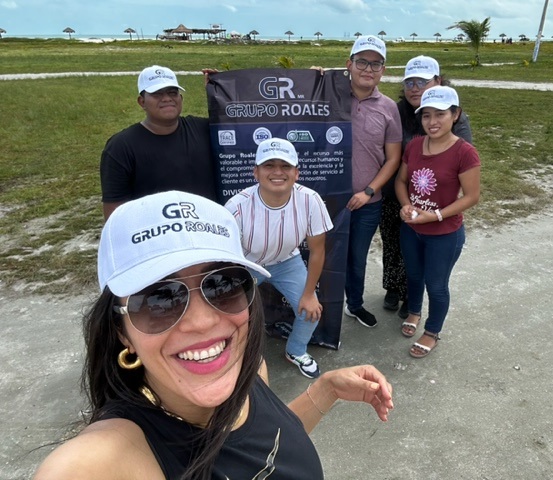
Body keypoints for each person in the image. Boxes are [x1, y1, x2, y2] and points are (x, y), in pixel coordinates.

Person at [34, 190, 393, 479]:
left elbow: (267, 447)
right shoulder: (102, 461)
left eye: (223, 285)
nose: (203, 322)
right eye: (160, 299)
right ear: (121, 331)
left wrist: (324, 390)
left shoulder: (249, 372)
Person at [225, 138, 333, 379]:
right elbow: (226, 258)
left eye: (285, 166)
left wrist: (308, 294)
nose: (277, 172)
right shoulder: (236, 207)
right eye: (269, 165)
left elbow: (317, 250)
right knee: (233, 317)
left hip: (287, 262)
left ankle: (296, 351)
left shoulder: (310, 199)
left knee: (310, 310)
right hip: (247, 266)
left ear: (296, 173)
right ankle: (239, 360)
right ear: (256, 172)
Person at [381, 55, 474, 320]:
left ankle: (414, 301)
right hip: (396, 193)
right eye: (409, 82)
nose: (414, 87)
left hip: (434, 203)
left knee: (427, 262)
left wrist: (433, 211)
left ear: (438, 81)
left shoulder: (456, 120)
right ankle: (395, 289)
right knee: (395, 245)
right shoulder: (396, 111)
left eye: (422, 81)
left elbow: (458, 161)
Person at [395, 86, 480, 358]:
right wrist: (406, 205)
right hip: (412, 230)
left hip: (444, 233)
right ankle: (414, 311)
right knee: (414, 275)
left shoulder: (465, 152)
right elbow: (401, 181)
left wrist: (436, 215)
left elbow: (472, 196)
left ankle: (432, 331)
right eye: (426, 115)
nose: (432, 122)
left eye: (440, 114)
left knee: (437, 284)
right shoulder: (415, 145)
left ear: (455, 115)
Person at [100, 65, 217, 219]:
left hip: (208, 228)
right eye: (157, 94)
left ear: (180, 99)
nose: (167, 98)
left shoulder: (203, 129)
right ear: (142, 102)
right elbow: (114, 211)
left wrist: (220, 89)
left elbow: (238, 127)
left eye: (172, 93)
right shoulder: (120, 147)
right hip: (156, 237)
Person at [343, 35, 402, 328]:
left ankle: (354, 304)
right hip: (327, 199)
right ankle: (320, 309)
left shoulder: (388, 107)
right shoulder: (329, 95)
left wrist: (368, 191)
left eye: (376, 63)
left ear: (383, 70)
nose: (368, 68)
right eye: (362, 61)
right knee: (320, 257)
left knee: (356, 258)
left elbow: (392, 158)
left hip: (368, 202)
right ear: (349, 64)